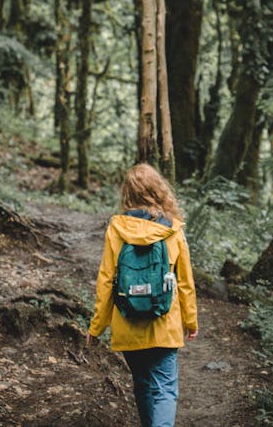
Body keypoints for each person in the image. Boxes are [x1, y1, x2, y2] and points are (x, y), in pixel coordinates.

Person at [86, 162, 198, 427]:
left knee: (143, 385)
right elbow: (185, 283)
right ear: (160, 191)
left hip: (128, 325)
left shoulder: (117, 228)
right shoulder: (173, 229)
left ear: (128, 194)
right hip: (164, 326)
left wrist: (97, 327)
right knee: (165, 389)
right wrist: (190, 322)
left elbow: (105, 280)